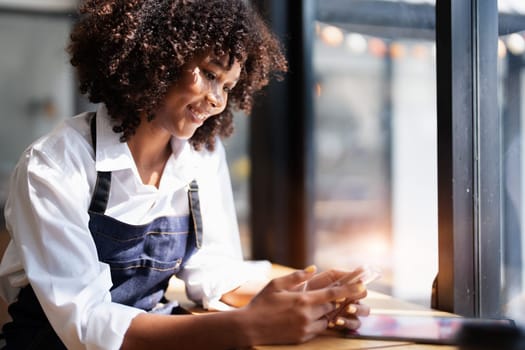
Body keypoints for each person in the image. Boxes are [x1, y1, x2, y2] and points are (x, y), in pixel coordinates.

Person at [0, 0, 370, 349]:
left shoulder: (201, 155)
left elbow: (211, 273)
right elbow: (87, 326)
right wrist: (248, 325)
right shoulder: (54, 166)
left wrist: (304, 296)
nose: (218, 100)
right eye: (209, 74)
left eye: (227, 86)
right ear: (156, 56)